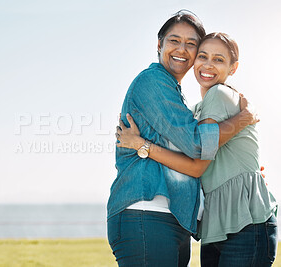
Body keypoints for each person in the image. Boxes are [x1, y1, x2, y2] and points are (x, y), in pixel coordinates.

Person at [107, 9, 259, 267]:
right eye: (174, 40)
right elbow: (198, 144)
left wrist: (242, 170)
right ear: (159, 44)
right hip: (145, 214)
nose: (182, 49)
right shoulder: (153, 81)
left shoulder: (178, 96)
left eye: (191, 44)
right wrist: (244, 118)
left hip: (171, 219)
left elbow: (195, 162)